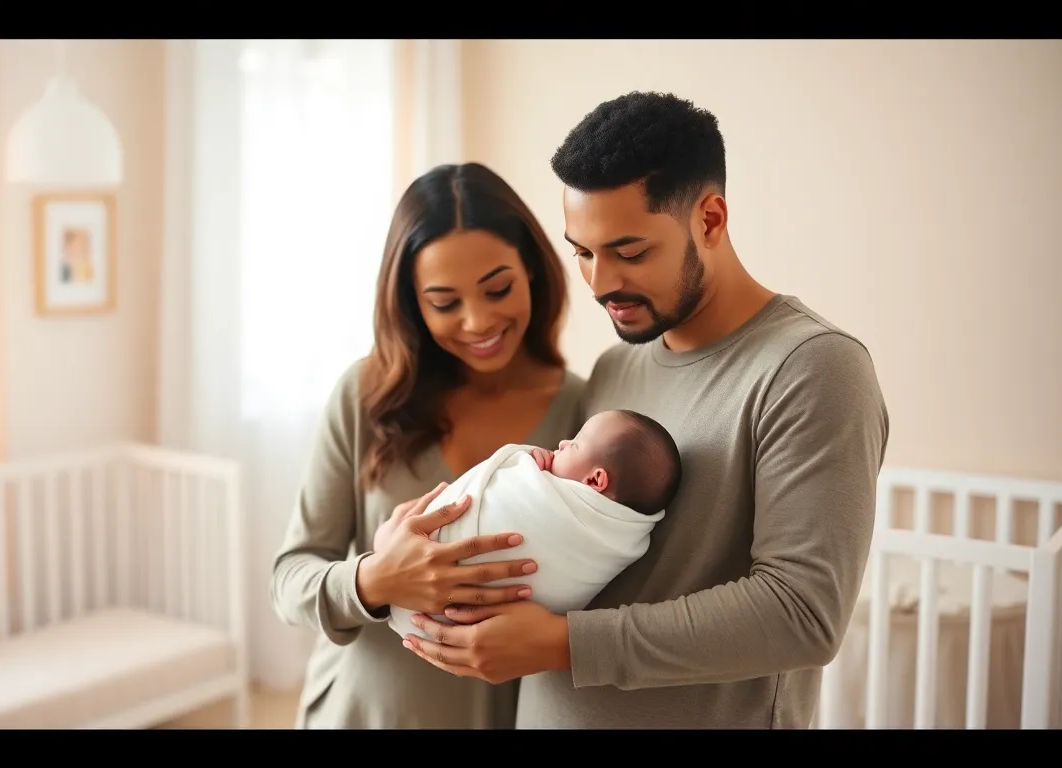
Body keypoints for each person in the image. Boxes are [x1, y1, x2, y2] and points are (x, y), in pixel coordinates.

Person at [399, 92, 890, 729]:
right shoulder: (615, 369)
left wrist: (559, 643)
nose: (600, 282)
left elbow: (802, 614)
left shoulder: (813, 368)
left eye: (629, 252)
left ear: (710, 219)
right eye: (582, 251)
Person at [270, 162, 586, 729]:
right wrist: (375, 581)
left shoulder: (584, 416)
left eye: (498, 289)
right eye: (444, 302)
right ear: (412, 303)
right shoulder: (365, 396)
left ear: (533, 272)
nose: (477, 320)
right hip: (364, 711)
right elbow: (291, 577)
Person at [389, 408, 682, 643]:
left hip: (415, 591)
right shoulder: (627, 539)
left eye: (574, 444)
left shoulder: (543, 490)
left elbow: (507, 479)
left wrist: (523, 461)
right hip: (423, 608)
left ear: (595, 480)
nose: (562, 444)